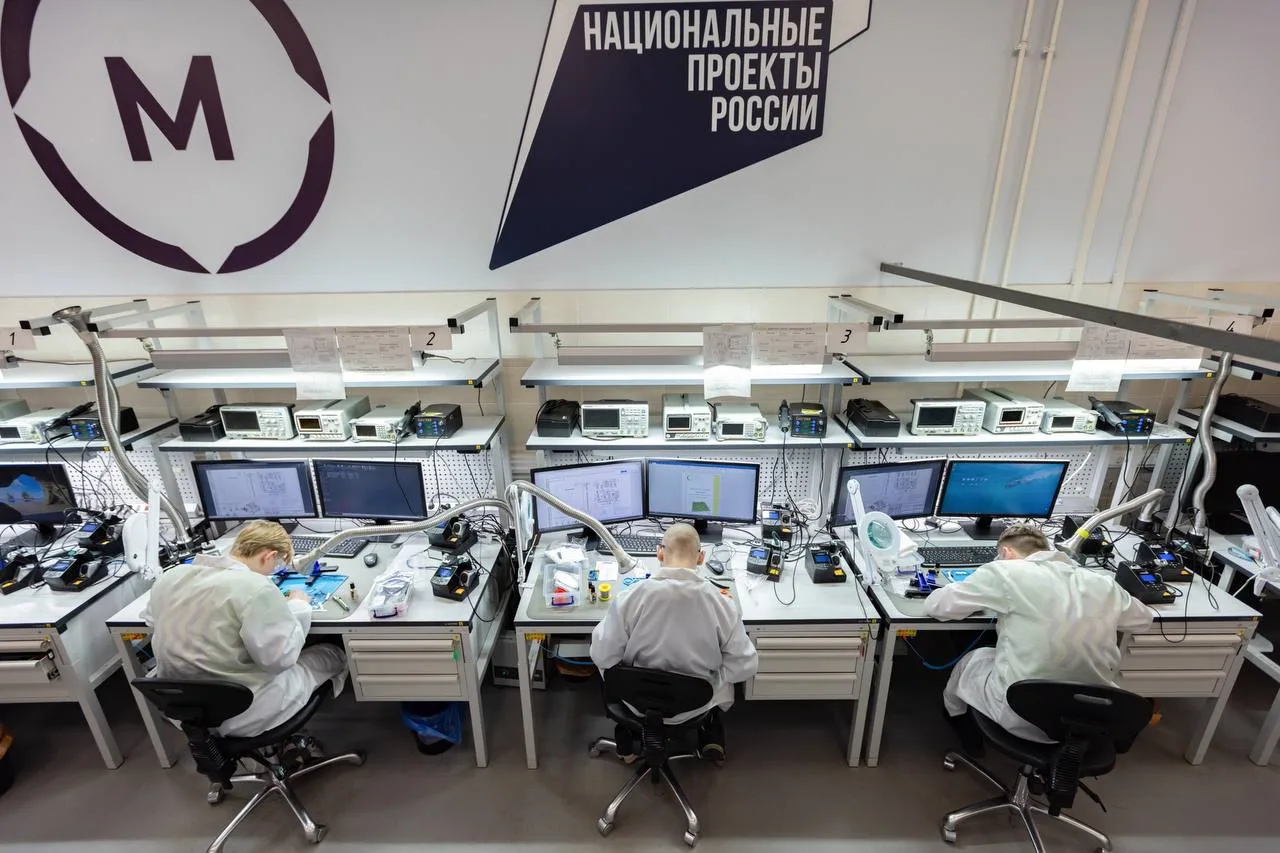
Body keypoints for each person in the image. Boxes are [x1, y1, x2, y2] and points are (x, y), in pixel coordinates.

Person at [924, 523, 1155, 750]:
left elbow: (937, 606)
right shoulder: (1103, 583)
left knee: (971, 660)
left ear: (1006, 552)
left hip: (1023, 713)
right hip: (1093, 714)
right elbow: (1143, 620)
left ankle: (957, 719)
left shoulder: (1005, 571)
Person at [143, 520, 347, 737]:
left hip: (185, 707)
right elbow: (280, 660)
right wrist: (299, 605)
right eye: (276, 565)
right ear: (268, 556)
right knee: (332, 653)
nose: (273, 572)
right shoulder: (255, 588)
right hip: (245, 710)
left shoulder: (171, 577)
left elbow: (151, 620)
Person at [590, 523, 758, 762]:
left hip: (635, 701)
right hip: (693, 705)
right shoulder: (722, 605)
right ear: (701, 558)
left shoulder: (631, 598)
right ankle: (709, 731)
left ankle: (628, 739)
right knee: (724, 677)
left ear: (659, 554)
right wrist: (713, 678)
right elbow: (745, 666)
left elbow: (602, 655)